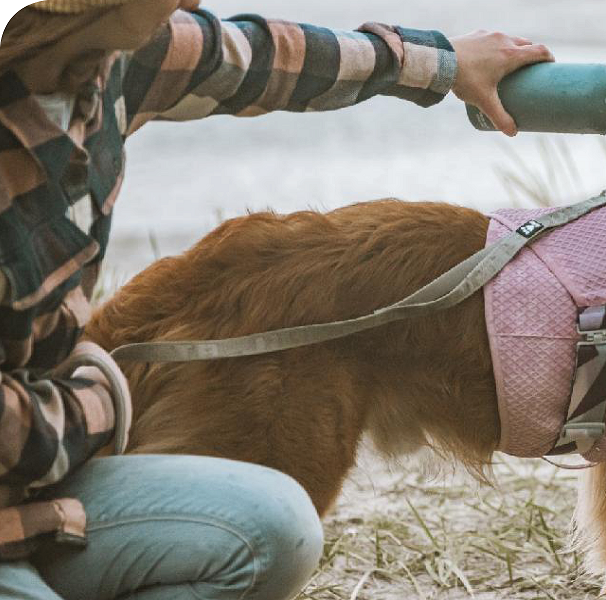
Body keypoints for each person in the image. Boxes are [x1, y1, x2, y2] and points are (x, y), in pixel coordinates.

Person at [0, 0, 552, 598]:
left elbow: (267, 57)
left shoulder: (111, 61)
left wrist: (445, 63)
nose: (192, 6)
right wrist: (99, 393)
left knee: (276, 529)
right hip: (20, 483)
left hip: (39, 493)